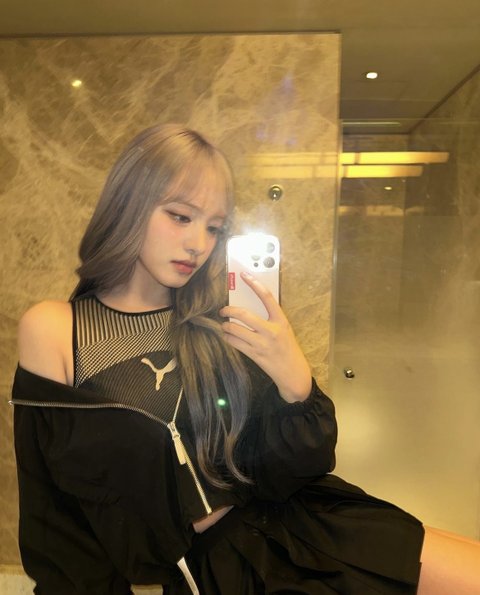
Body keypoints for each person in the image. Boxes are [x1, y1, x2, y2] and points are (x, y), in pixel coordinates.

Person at [11, 123, 479, 595]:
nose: (198, 243)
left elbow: (291, 471)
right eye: (181, 216)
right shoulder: (55, 329)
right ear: (129, 203)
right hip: (220, 574)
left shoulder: (220, 322)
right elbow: (55, 518)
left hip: (303, 528)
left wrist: (295, 381)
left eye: (214, 228)